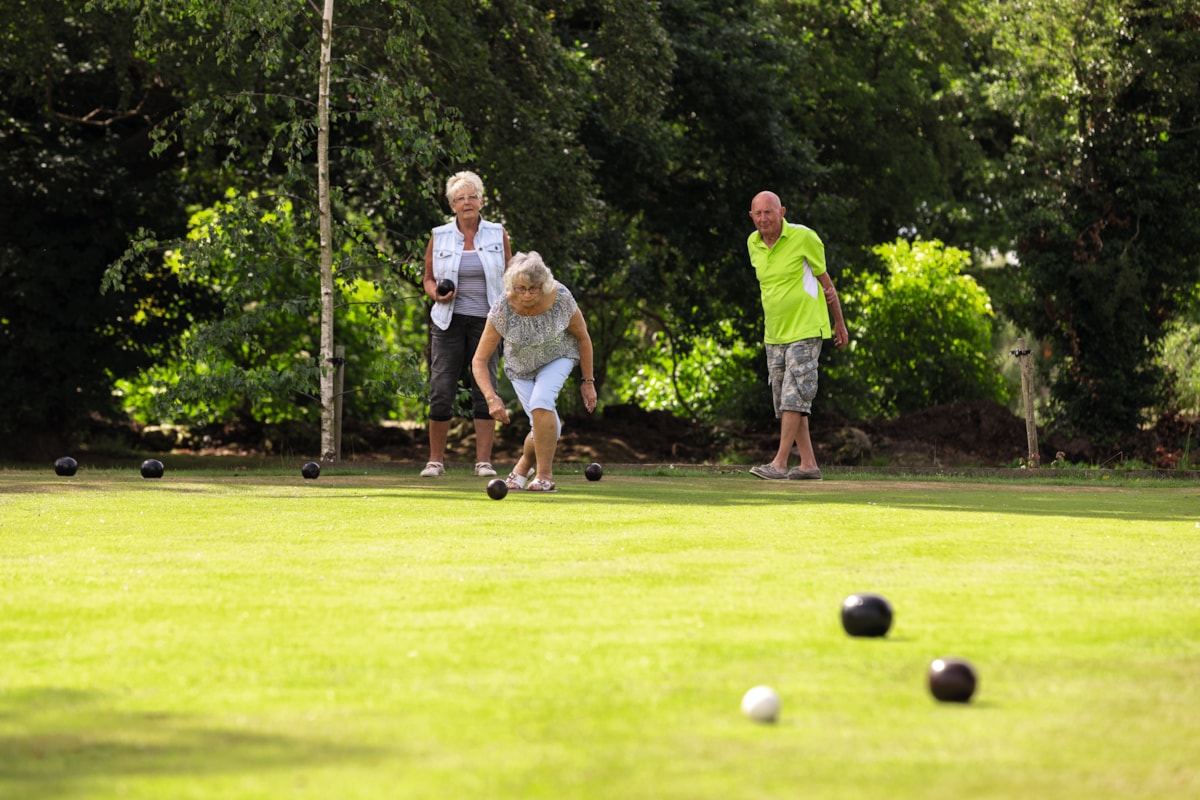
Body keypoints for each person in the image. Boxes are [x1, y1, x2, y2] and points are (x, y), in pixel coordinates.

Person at [472, 252, 597, 493]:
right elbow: (479, 359)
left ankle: (544, 477)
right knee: (549, 427)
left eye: (534, 289)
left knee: (541, 403)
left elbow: (582, 337)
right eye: (521, 288)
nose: (527, 294)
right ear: (511, 285)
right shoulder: (503, 307)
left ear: (544, 285)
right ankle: (522, 467)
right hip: (520, 368)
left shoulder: (560, 297)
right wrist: (491, 398)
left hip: (558, 357)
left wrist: (587, 381)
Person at [746, 190, 848, 481]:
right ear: (751, 216)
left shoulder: (804, 237)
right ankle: (808, 464)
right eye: (758, 213)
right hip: (774, 334)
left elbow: (826, 284)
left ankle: (778, 463)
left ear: (782, 212)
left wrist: (838, 324)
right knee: (789, 401)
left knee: (794, 396)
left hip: (806, 329)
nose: (764, 218)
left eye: (769, 212)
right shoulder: (753, 244)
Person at [420, 171, 512, 478]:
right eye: (460, 198)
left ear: (482, 200)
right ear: (452, 205)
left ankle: (483, 462)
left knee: (485, 388)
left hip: (488, 322)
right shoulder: (440, 235)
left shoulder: (498, 233)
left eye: (472, 196)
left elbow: (511, 276)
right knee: (441, 388)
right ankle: (435, 461)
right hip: (447, 321)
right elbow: (428, 279)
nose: (467, 202)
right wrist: (436, 293)